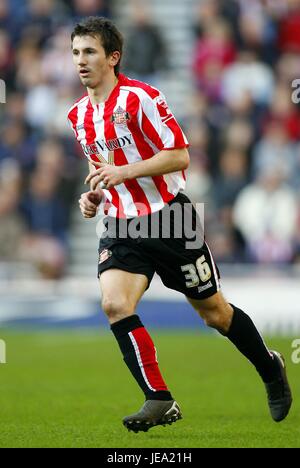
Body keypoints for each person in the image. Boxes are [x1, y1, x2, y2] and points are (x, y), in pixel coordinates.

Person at [68, 16, 292, 433]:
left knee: (215, 314)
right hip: (122, 225)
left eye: (90, 52)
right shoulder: (78, 115)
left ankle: (269, 366)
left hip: (171, 219)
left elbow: (179, 156)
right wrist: (94, 195)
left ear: (113, 57)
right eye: (76, 52)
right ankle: (159, 398)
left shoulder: (143, 98)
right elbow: (100, 170)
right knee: (115, 304)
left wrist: (126, 172)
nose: (81, 60)